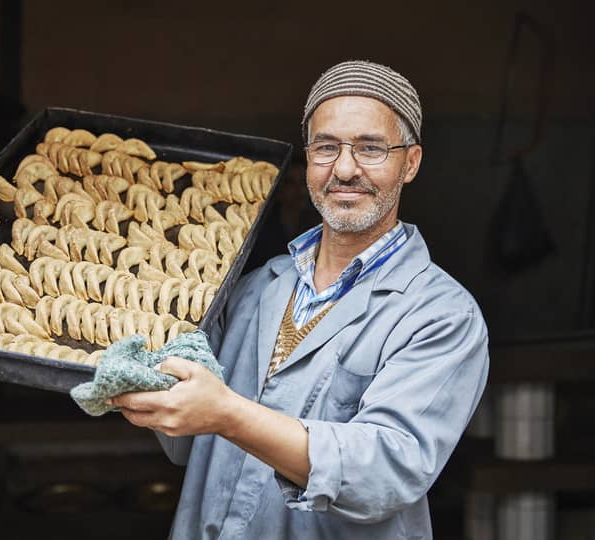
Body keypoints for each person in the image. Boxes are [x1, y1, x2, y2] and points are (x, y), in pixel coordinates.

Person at [110, 60, 490, 540]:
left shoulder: (440, 315)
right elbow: (186, 443)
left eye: (371, 148)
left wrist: (227, 413)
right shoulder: (252, 289)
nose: (345, 169)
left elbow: (387, 472)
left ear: (410, 162)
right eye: (327, 147)